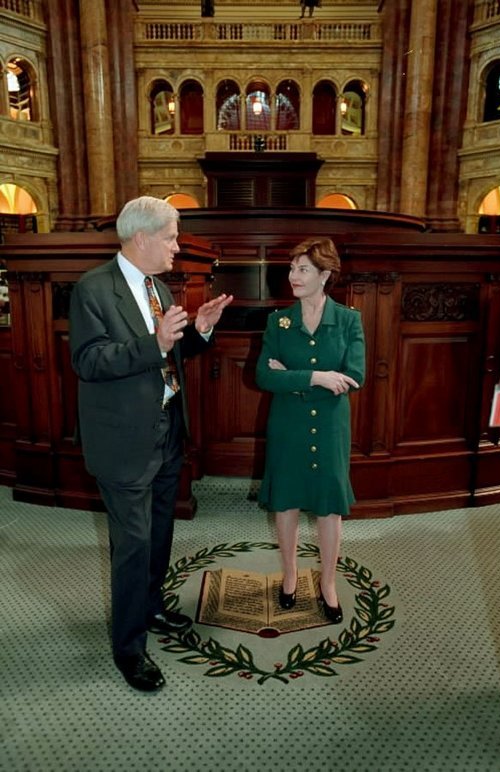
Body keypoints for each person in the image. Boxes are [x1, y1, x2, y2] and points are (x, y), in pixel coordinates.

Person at [69, 196, 232, 691]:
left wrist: (198, 333)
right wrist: (156, 343)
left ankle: (153, 608)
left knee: (159, 534)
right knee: (132, 545)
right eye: (171, 237)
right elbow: (89, 361)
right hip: (122, 441)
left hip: (166, 431)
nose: (177, 248)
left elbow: (168, 351)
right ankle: (129, 649)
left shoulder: (158, 286)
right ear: (142, 238)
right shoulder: (92, 289)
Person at [256, 237, 365, 624]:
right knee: (285, 502)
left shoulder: (349, 319)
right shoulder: (279, 321)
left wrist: (293, 377)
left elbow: (355, 376)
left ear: (325, 275)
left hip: (331, 427)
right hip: (288, 425)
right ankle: (289, 577)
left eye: (302, 269)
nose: (292, 276)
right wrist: (317, 376)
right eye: (291, 269)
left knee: (329, 506)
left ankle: (329, 584)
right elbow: (264, 375)